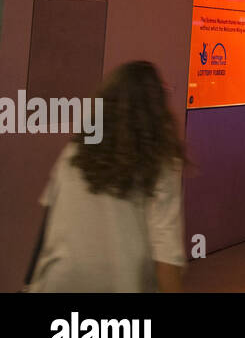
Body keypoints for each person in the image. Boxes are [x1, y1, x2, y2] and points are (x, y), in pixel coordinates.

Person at [26, 60, 186, 292]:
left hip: (57, 283)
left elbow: (47, 225)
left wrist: (29, 281)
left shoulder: (75, 152)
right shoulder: (162, 165)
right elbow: (166, 259)